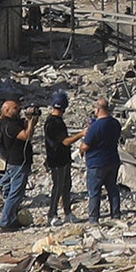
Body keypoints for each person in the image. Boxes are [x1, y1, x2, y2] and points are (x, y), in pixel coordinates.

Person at [43, 90, 86, 225]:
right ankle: (52, 215)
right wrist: (81, 134)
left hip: (63, 158)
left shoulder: (55, 121)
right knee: (58, 187)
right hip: (57, 160)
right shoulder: (54, 123)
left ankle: (67, 213)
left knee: (66, 185)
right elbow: (65, 141)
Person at [0, 99, 38, 231]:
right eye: (15, 108)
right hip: (18, 161)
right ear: (7, 110)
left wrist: (32, 117)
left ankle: (12, 218)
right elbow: (27, 135)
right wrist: (30, 121)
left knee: (13, 192)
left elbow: (27, 124)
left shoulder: (9, 122)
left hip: (15, 161)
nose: (18, 110)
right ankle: (5, 222)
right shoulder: (10, 125)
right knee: (16, 193)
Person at [79, 98, 122, 222]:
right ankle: (116, 214)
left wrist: (81, 147)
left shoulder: (95, 126)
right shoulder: (115, 123)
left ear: (98, 109)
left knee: (94, 191)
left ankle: (93, 218)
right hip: (113, 160)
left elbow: (86, 146)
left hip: (96, 163)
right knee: (112, 189)